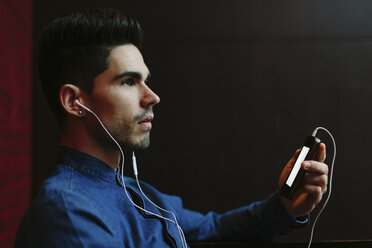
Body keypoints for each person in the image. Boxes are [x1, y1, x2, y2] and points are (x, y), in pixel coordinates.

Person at [15, 8, 328, 248]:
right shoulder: (68, 211)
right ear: (74, 101)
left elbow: (214, 227)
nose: (152, 96)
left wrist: (284, 206)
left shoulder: (137, 193)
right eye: (128, 81)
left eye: (145, 80)